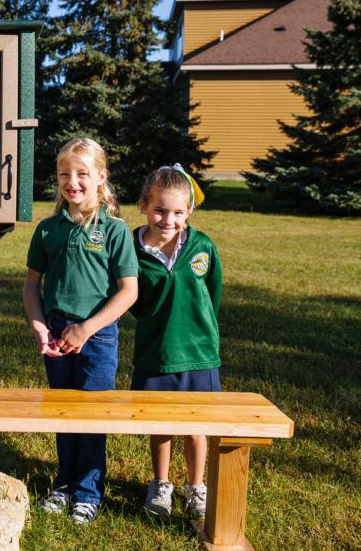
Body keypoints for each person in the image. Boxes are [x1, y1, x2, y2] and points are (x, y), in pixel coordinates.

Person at [23, 137, 139, 524]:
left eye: (82, 174)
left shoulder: (115, 230)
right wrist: (41, 327)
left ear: (101, 178)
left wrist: (87, 329)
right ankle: (63, 485)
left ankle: (88, 492)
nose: (72, 181)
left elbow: (128, 292)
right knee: (63, 412)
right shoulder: (47, 230)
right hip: (56, 334)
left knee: (90, 414)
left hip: (98, 336)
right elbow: (31, 286)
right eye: (64, 174)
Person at [130, 164, 221, 519]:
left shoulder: (202, 246)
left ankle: (196, 486)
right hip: (156, 354)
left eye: (178, 212)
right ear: (143, 206)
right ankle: (161, 484)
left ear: (189, 212)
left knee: (197, 427)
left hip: (199, 355)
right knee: (161, 424)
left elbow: (212, 293)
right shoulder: (133, 249)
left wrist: (201, 330)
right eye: (160, 210)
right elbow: (132, 299)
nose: (168, 219)